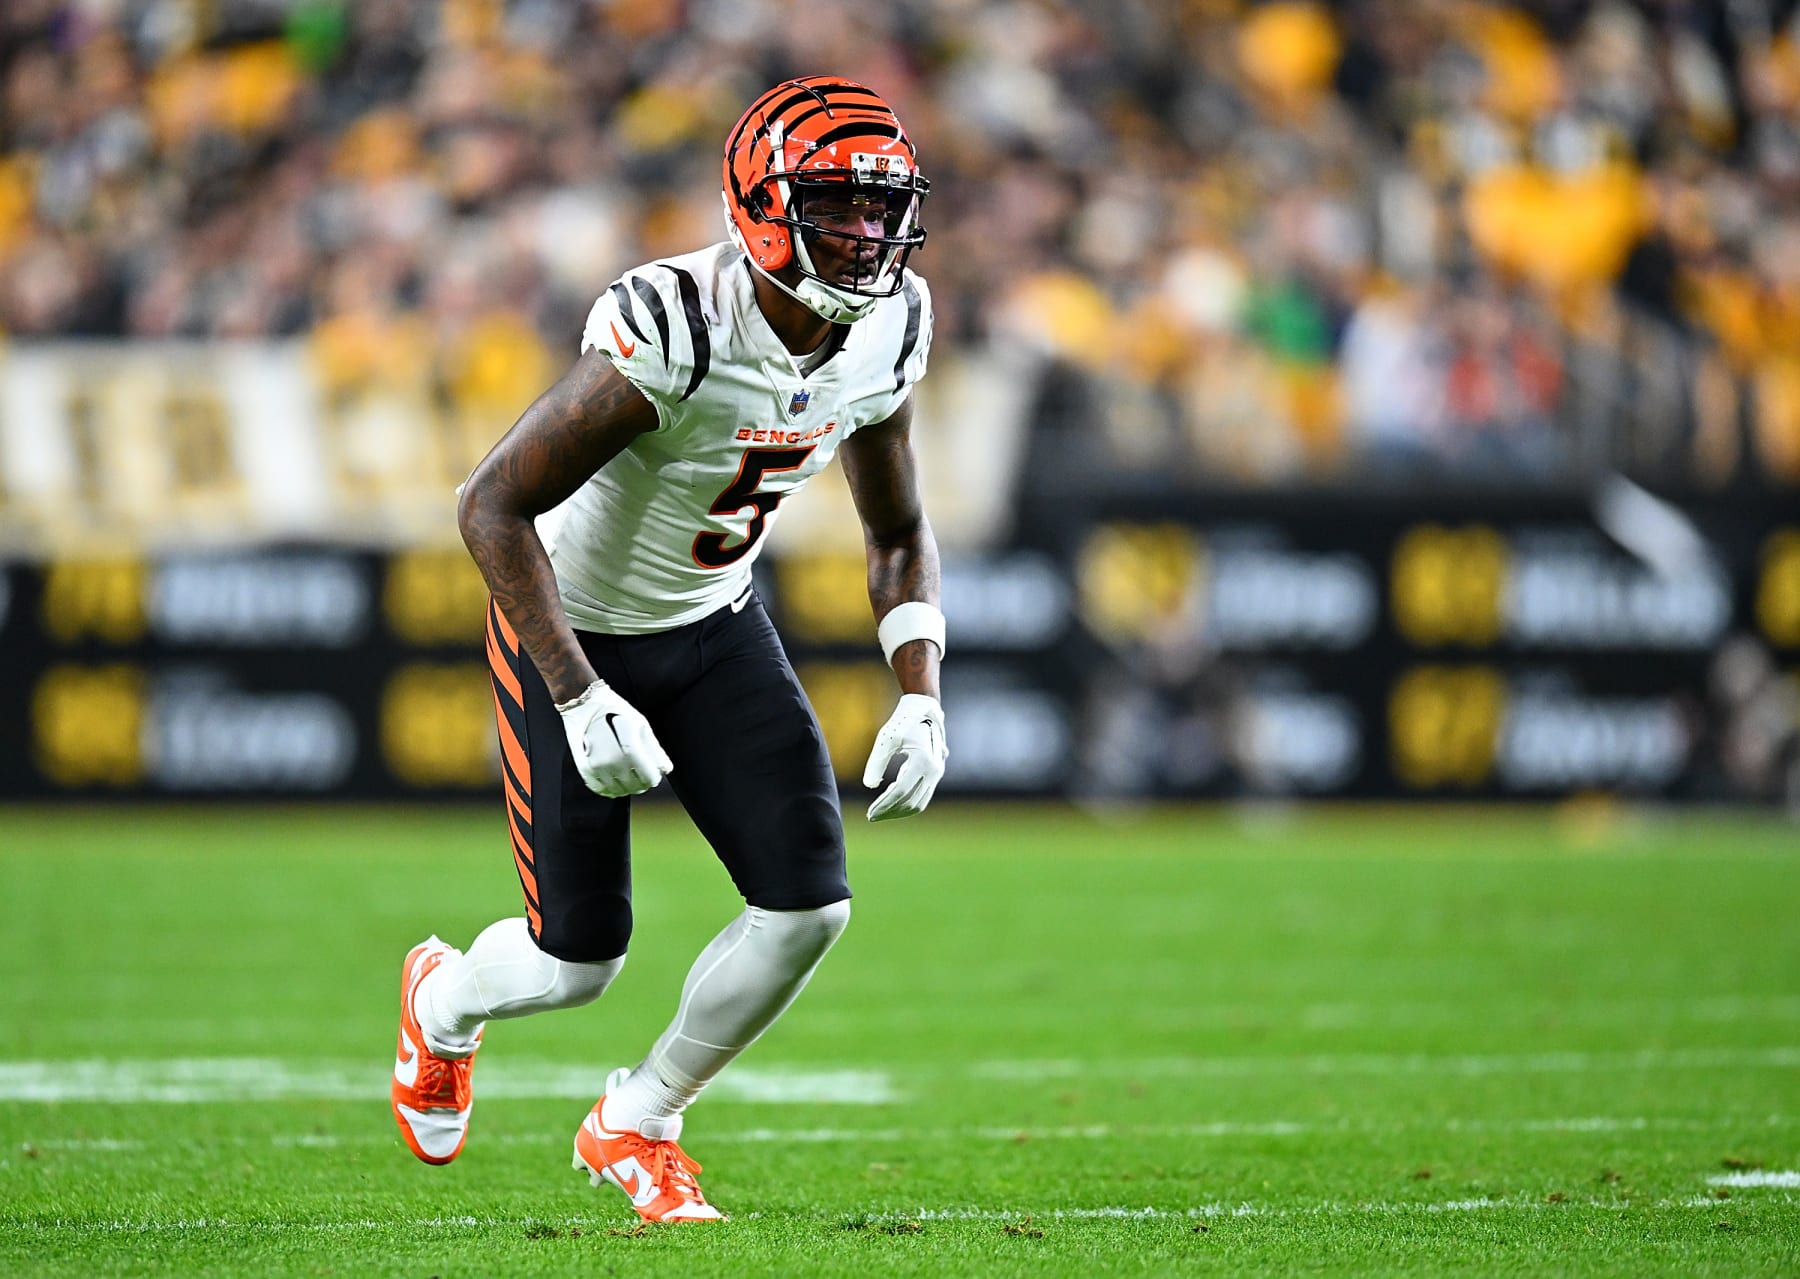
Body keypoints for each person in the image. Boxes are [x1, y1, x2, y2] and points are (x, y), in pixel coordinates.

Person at [388, 76, 947, 1224]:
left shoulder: (891, 322)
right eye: (836, 205)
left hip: (715, 623)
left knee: (810, 908)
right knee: (574, 962)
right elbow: (491, 503)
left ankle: (639, 1120)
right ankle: (442, 1000)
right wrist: (581, 696)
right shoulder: (680, 321)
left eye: (881, 210)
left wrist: (920, 691)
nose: (865, 235)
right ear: (760, 205)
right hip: (573, 630)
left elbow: (895, 529)